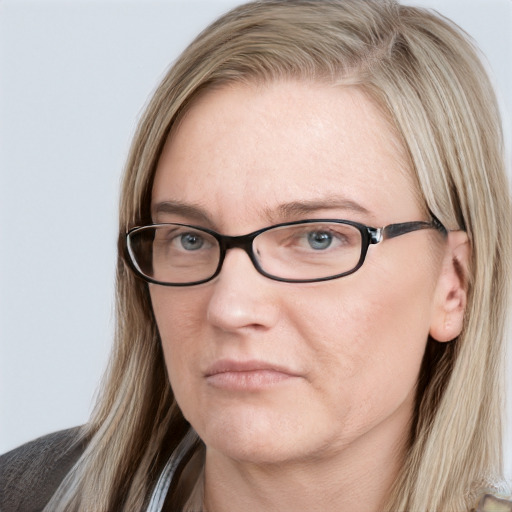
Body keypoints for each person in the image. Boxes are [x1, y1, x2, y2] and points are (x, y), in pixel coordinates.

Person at [1, 0, 511, 511]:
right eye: (190, 239)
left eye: (318, 238)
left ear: (454, 284)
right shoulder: (24, 494)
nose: (231, 308)